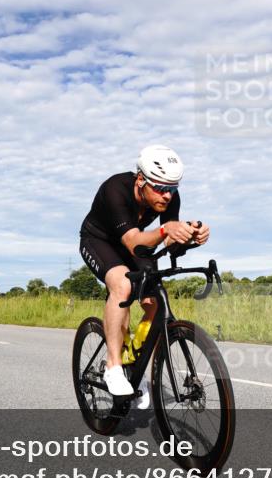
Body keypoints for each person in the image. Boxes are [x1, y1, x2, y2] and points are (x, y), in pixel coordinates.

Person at [79, 146, 210, 403]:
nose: (167, 196)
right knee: (122, 285)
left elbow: (169, 241)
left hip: (137, 243)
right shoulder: (115, 189)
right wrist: (165, 232)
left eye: (172, 189)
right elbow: (133, 242)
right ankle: (114, 366)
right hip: (99, 240)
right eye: (160, 188)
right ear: (141, 180)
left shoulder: (170, 197)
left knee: (154, 302)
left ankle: (135, 366)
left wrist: (191, 236)